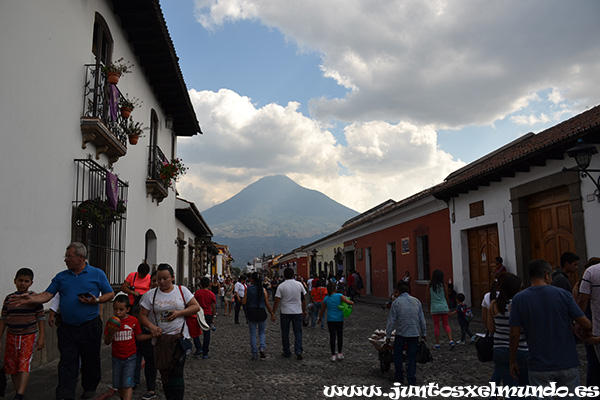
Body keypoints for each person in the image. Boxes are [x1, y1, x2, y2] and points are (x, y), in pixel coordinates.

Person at [8, 242, 114, 400]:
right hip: (67, 327)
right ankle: (65, 393)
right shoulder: (61, 276)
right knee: (67, 361)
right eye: (65, 256)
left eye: (68, 256)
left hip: (90, 325)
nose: (65, 259)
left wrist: (96, 300)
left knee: (90, 359)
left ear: (80, 257)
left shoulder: (97, 273)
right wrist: (29, 299)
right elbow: (47, 295)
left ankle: (89, 388)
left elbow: (110, 294)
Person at [509, 259, 592, 397]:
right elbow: (585, 324)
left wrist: (512, 360)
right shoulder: (563, 295)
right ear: (547, 275)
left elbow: (514, 334)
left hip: (539, 365)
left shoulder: (519, 299)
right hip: (567, 361)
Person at [139, 264, 200, 400]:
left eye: (165, 278)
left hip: (179, 337)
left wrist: (179, 313)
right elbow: (142, 315)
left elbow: (196, 306)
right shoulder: (151, 295)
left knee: (177, 372)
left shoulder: (181, 290)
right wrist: (152, 327)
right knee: (165, 372)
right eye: (159, 279)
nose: (161, 282)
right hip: (161, 340)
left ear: (172, 277)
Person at [0, 268, 46, 400]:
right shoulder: (9, 299)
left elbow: (41, 318)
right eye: (20, 280)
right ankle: (18, 391)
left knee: (23, 363)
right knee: (11, 365)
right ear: (15, 281)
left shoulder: (34, 298)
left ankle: (20, 394)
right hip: (11, 336)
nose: (23, 283)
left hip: (28, 336)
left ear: (31, 283)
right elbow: (3, 319)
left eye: (26, 281)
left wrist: (41, 337)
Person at [487, 273, 529, 389]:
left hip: (500, 349)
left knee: (510, 387)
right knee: (525, 387)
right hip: (520, 349)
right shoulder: (519, 305)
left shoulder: (494, 305)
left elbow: (491, 329)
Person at [385, 280, 426, 384]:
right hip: (414, 333)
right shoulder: (417, 301)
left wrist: (388, 335)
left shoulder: (396, 303)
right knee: (412, 357)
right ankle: (411, 379)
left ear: (398, 291)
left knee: (397, 355)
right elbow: (422, 319)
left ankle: (399, 377)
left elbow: (391, 320)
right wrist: (424, 333)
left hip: (401, 333)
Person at [104, 294, 145, 400]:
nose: (118, 312)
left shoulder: (133, 321)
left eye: (121, 309)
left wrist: (152, 335)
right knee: (119, 385)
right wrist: (111, 333)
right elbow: (107, 342)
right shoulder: (111, 322)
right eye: (115, 309)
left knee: (127, 384)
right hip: (116, 358)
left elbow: (139, 336)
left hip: (130, 357)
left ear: (127, 309)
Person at [271, 267, 307, 360]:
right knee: (298, 332)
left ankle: (286, 351)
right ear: (293, 275)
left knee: (285, 333)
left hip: (285, 312)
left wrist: (273, 313)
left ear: (284, 275)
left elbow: (277, 301)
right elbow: (303, 298)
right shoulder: (299, 285)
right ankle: (298, 350)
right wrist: (304, 310)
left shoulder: (281, 286)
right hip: (297, 311)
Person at [576, 257, 600, 387]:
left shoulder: (591, 273)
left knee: (594, 365)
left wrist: (579, 323)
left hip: (593, 327)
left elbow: (581, 301)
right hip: (592, 327)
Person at [135, 271, 158, 400]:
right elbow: (141, 315)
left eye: (158, 280)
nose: (156, 283)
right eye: (154, 280)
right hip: (148, 333)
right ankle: (151, 388)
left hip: (165, 334)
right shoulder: (147, 296)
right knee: (150, 361)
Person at [317, 281, 354, 361]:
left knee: (332, 337)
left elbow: (322, 310)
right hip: (339, 319)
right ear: (335, 288)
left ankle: (333, 355)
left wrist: (319, 318)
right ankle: (340, 353)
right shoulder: (339, 296)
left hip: (330, 320)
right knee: (339, 336)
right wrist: (351, 302)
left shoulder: (326, 298)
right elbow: (348, 302)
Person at [242, 272, 274, 360]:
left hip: (251, 312)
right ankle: (262, 348)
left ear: (252, 280)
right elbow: (267, 303)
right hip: (261, 311)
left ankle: (254, 352)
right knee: (262, 332)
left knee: (253, 333)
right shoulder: (263, 290)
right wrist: (271, 313)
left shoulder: (248, 289)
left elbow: (244, 302)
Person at [426, 269, 454, 349]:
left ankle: (437, 343)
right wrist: (448, 307)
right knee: (446, 325)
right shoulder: (444, 286)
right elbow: (446, 297)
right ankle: (450, 340)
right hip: (443, 306)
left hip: (434, 307)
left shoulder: (429, 286)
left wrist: (429, 308)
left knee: (436, 326)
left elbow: (428, 298)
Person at [193, 277, 216, 358]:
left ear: (200, 285)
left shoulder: (197, 293)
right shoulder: (211, 294)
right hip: (208, 314)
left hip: (198, 314)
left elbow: (193, 304)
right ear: (209, 284)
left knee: (195, 332)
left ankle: (199, 347)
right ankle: (205, 352)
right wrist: (213, 317)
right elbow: (213, 307)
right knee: (207, 334)